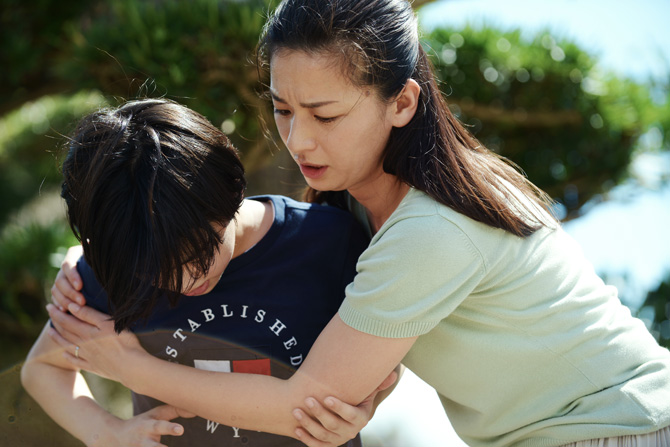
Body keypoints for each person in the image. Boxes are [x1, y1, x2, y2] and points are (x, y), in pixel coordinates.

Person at [46, 0, 670, 446]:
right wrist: (92, 257)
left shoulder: (433, 228)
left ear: (402, 101)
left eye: (326, 114)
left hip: (617, 426)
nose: (298, 139)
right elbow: (351, 372)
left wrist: (125, 365)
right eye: (284, 109)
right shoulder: (352, 207)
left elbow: (301, 402)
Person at [20, 98, 394, 447]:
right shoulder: (117, 264)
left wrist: (371, 400)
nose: (184, 281)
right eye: (154, 270)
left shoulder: (327, 242)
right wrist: (108, 433)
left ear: (230, 189)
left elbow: (385, 360)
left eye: (199, 251)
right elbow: (41, 367)